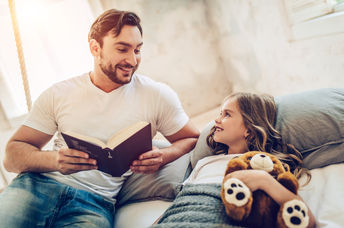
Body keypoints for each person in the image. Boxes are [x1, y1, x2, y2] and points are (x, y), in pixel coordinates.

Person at [0, 9, 199, 228]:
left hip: (94, 204)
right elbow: (11, 156)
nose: (132, 60)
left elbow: (192, 138)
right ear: (95, 48)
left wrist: (164, 155)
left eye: (138, 50)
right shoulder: (59, 94)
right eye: (122, 49)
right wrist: (55, 160)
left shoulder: (157, 95)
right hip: (38, 186)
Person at [152, 92, 315, 228]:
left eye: (227, 114)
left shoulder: (264, 165)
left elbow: (308, 221)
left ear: (249, 131)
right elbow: (181, 202)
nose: (217, 120)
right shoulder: (205, 162)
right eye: (220, 113)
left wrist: (263, 180)